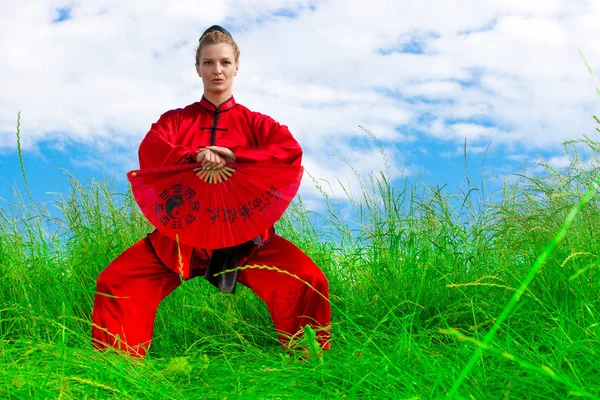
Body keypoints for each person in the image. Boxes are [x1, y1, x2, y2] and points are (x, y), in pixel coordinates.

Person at [91, 25, 331, 357]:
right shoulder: (175, 121)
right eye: (208, 63)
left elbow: (287, 151)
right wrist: (194, 156)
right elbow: (152, 150)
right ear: (197, 68)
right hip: (181, 239)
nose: (216, 70)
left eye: (224, 62)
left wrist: (238, 155)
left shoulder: (255, 123)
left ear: (236, 67)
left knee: (307, 279)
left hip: (246, 239)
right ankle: (117, 370)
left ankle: (312, 363)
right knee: (116, 281)